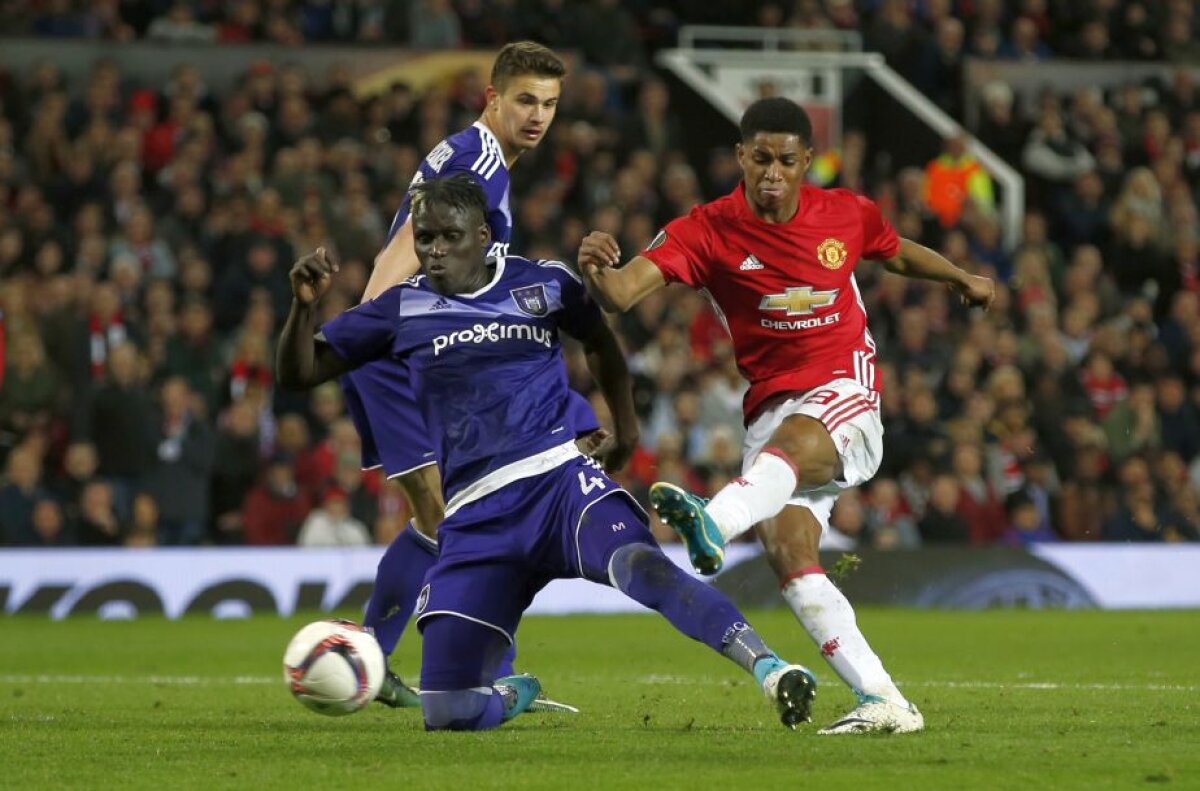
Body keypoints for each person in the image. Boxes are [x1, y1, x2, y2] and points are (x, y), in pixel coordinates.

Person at [277, 174, 816, 732]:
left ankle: (772, 670)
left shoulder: (544, 283)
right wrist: (302, 309)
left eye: (449, 237)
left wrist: (627, 431)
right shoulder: (401, 309)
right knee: (448, 712)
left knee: (641, 566)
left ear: (483, 235)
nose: (435, 251)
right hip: (474, 516)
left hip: (557, 482)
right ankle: (516, 690)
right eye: (426, 238)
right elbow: (300, 374)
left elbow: (600, 342)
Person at [577, 97, 996, 735]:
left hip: (844, 389)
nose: (773, 172)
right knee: (789, 552)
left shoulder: (846, 213)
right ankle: (885, 701)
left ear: (807, 162)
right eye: (761, 158)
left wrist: (960, 277)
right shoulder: (706, 230)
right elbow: (621, 294)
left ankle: (714, 522)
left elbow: (895, 252)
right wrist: (595, 268)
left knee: (793, 446)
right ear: (740, 157)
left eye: (787, 160)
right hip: (771, 409)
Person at [344, 42, 595, 707]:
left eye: (549, 104)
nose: (538, 116)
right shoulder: (473, 164)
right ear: (492, 98)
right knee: (459, 519)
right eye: (525, 101)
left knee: (450, 517)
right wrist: (380, 336)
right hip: (404, 357)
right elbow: (394, 267)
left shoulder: (486, 163)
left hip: (429, 357)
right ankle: (464, 670)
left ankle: (376, 658)